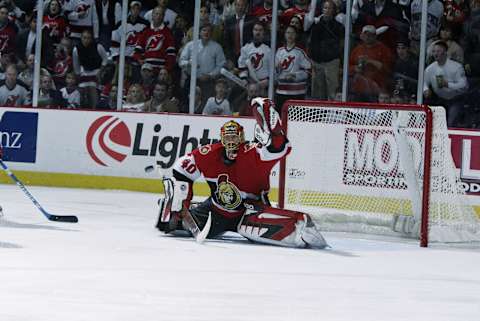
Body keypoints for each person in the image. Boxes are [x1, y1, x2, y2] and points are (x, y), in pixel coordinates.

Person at [155, 98, 327, 249]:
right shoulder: (209, 154)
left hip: (250, 212)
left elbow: (281, 148)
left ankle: (298, 226)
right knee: (167, 224)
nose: (231, 144)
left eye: (235, 139)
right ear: (221, 140)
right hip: (215, 211)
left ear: (242, 139)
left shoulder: (254, 153)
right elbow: (181, 168)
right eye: (227, 139)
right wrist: (180, 200)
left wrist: (274, 128)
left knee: (297, 231)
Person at [423, 41, 468, 127]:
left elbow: (464, 85)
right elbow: (425, 82)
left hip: (456, 99)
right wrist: (426, 90)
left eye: (438, 51)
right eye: (434, 51)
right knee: (435, 124)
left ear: (445, 52)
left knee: (451, 123)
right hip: (439, 100)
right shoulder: (430, 69)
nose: (436, 54)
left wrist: (448, 84)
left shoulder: (456, 67)